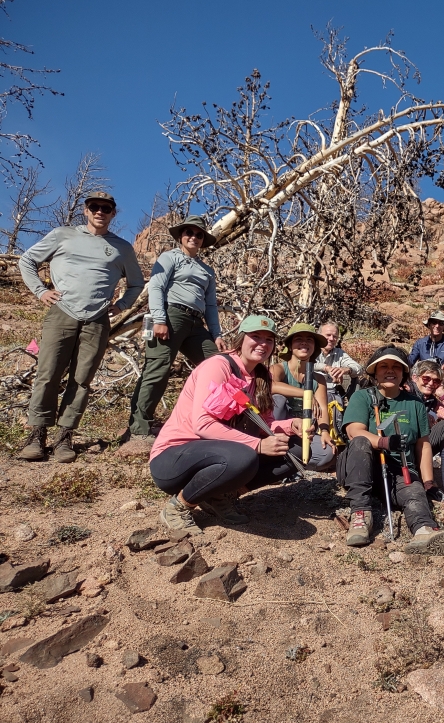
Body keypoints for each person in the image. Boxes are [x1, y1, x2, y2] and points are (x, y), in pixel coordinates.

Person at [148, 315, 309, 533]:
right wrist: (258, 446)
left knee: (296, 447)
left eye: (269, 340)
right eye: (256, 337)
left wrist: (292, 425)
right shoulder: (217, 366)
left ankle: (219, 496)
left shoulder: (261, 376)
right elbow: (202, 424)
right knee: (244, 456)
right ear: (241, 339)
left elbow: (266, 423)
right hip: (174, 459)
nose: (262, 344)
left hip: (220, 454)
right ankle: (179, 506)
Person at [18, 191, 145, 463]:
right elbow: (27, 260)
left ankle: (65, 437)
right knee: (48, 372)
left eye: (106, 208)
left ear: (113, 214)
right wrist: (41, 292)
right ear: (86, 211)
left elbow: (137, 283)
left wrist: (122, 305)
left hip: (97, 319)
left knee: (82, 379)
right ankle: (36, 435)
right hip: (62, 312)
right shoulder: (63, 235)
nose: (100, 211)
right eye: (95, 206)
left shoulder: (122, 248)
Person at [341, 346, 444, 555]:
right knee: (360, 443)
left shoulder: (416, 404)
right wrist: (384, 443)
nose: (390, 371)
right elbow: (354, 432)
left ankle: (424, 530)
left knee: (414, 492)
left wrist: (428, 482)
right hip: (362, 467)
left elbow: (423, 444)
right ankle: (360, 513)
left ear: (404, 373)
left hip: (400, 469)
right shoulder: (363, 397)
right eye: (383, 366)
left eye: (396, 367)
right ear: (374, 371)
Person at [124, 216, 226, 448]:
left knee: (218, 364)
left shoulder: (207, 271)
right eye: (189, 232)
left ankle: (211, 420)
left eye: (199, 234)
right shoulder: (169, 257)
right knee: (157, 369)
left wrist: (217, 334)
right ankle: (139, 427)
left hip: (196, 323)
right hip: (171, 316)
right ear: (181, 236)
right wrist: (159, 319)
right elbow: (157, 286)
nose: (194, 237)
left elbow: (211, 305)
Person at [269, 323, 335, 472]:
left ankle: (292, 467)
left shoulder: (318, 379)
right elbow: (271, 385)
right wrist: (306, 394)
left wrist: (324, 431)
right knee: (278, 399)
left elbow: (323, 409)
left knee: (327, 453)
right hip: (279, 429)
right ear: (290, 346)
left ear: (315, 347)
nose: (304, 343)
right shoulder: (278, 369)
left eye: (310, 340)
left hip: (305, 432)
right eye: (298, 339)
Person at [410, 359, 444, 460]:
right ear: (415, 378)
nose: (430, 383)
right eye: (426, 378)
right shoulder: (406, 394)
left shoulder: (433, 403)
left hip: (423, 447)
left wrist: (443, 396)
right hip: (404, 444)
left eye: (436, 381)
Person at [314, 322, 361, 406]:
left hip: (333, 392)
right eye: (328, 335)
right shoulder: (311, 349)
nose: (331, 339)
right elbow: (304, 364)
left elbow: (359, 368)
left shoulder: (339, 353)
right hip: (313, 392)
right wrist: (326, 368)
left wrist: (346, 370)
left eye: (335, 336)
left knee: (355, 379)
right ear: (319, 336)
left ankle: (354, 408)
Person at [409, 311, 444, 379]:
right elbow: (410, 361)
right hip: (423, 378)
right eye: (434, 322)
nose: (437, 326)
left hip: (442, 378)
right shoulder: (420, 343)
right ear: (429, 325)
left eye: (441, 323)